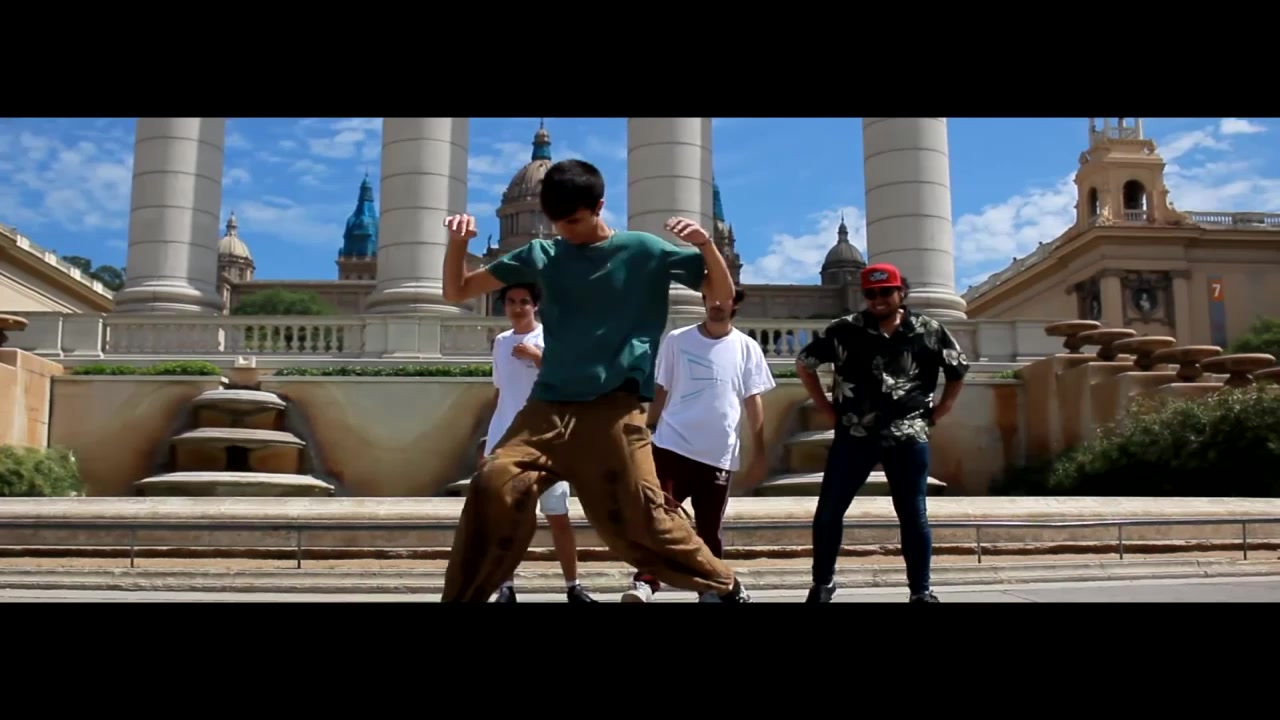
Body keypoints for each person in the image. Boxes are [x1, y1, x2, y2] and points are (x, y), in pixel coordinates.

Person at [438, 158, 751, 603]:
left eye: (573, 221)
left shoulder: (642, 250)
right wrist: (457, 244)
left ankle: (724, 584)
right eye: (556, 222)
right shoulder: (542, 255)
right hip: (547, 409)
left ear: (599, 207)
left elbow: (720, 293)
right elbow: (457, 291)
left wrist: (705, 246)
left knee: (640, 517)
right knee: (493, 483)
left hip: (614, 409)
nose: (564, 231)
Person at [794, 263, 969, 603]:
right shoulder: (844, 329)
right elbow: (805, 363)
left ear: (901, 292)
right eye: (870, 293)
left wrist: (945, 406)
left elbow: (957, 369)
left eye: (885, 292)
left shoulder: (929, 330)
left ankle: (921, 591)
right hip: (854, 434)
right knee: (829, 510)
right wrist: (825, 407)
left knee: (913, 513)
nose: (878, 299)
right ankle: (822, 583)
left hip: (908, 435)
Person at [621, 286, 776, 603]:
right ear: (704, 300)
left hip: (718, 455)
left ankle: (710, 587)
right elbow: (661, 389)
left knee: (709, 528)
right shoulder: (677, 340)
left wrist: (760, 452)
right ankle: (646, 582)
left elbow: (753, 401)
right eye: (711, 296)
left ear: (734, 303)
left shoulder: (747, 348)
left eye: (724, 297)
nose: (716, 303)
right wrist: (646, 430)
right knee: (657, 519)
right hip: (671, 445)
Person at [483, 282, 596, 603]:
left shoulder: (552, 339)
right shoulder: (500, 342)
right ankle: (506, 587)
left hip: (546, 443)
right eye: (511, 301)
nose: (518, 307)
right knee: (507, 520)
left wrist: (538, 357)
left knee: (557, 516)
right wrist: (489, 443)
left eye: (524, 301)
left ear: (535, 306)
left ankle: (573, 586)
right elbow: (501, 393)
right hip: (507, 445)